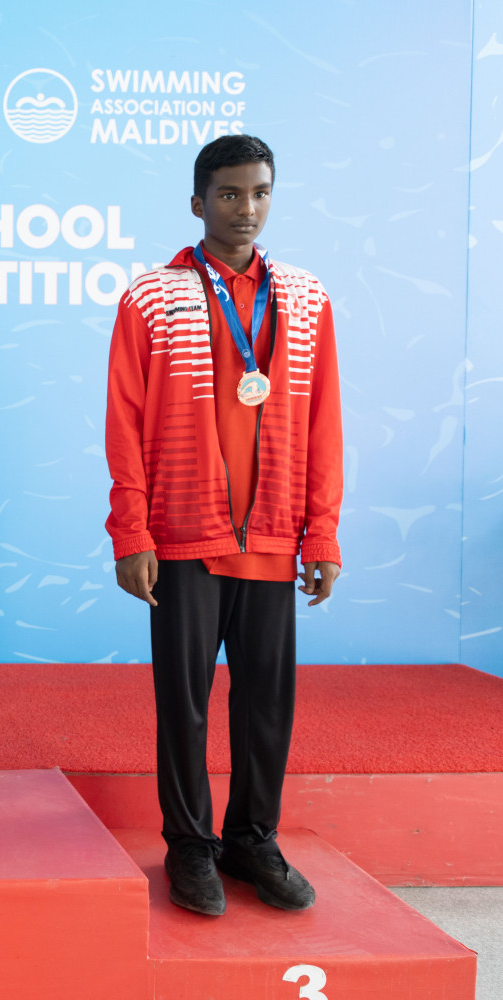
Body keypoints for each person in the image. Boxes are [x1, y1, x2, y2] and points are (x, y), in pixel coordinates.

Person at [104, 134, 343, 916]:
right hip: (183, 537)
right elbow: (125, 421)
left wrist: (322, 533)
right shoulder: (152, 295)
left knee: (268, 703)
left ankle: (251, 840)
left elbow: (325, 424)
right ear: (198, 201)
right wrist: (131, 533)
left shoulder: (306, 299)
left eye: (261, 193)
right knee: (186, 701)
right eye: (232, 194)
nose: (248, 208)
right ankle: (190, 846)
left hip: (274, 536)